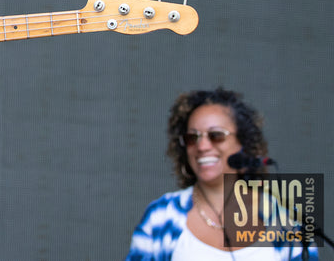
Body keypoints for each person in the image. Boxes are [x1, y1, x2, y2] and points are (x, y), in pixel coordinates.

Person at [125, 88, 315, 261]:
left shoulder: (285, 217)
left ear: (243, 143)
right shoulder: (161, 215)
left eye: (216, 135)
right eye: (192, 138)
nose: (202, 146)